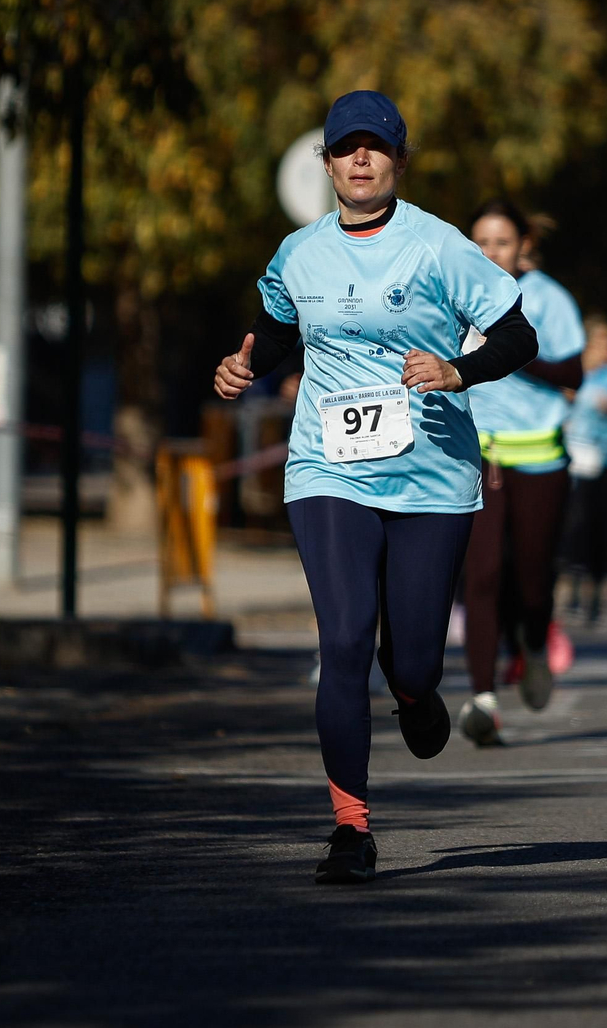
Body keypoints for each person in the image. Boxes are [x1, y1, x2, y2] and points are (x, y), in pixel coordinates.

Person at [213, 91, 537, 883]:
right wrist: (244, 367)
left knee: (413, 663)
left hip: (430, 475)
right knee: (345, 639)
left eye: (377, 146)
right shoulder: (298, 252)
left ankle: (418, 693)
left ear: (398, 159)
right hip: (327, 469)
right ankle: (350, 828)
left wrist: (457, 369)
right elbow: (280, 331)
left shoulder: (439, 246)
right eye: (347, 147)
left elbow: (518, 334)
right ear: (325, 162)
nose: (361, 159)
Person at [457, 199, 586, 746]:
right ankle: (483, 698)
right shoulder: (452, 293)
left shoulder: (549, 298)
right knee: (481, 576)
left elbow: (573, 372)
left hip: (538, 455)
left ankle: (534, 641)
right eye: (480, 241)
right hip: (475, 453)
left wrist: (509, 351)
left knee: (532, 581)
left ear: (523, 245)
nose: (490, 252)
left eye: (502, 242)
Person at [561, 321, 607, 625]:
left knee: (601, 528)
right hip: (572, 459)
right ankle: (568, 589)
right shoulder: (571, 371)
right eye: (600, 344)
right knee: (572, 526)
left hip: (605, 460)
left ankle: (595, 593)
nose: (605, 351)